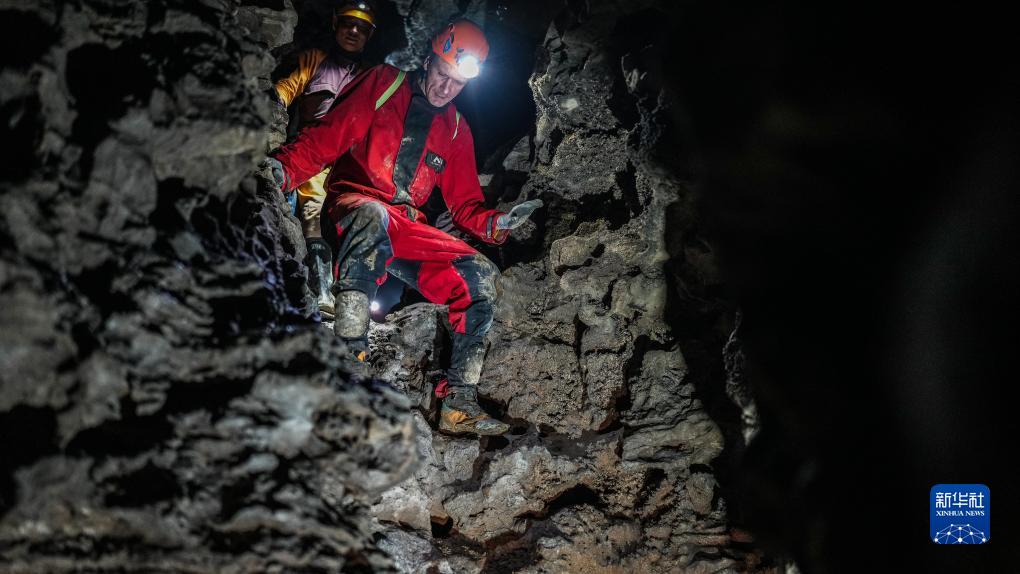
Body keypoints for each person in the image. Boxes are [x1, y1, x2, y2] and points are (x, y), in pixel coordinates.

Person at [265, 19, 542, 436]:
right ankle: (348, 364)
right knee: (371, 217)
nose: (446, 89)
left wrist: (497, 223)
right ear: (428, 60)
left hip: (405, 223)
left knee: (480, 275)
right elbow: (329, 136)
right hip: (354, 204)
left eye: (458, 83)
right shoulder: (384, 83)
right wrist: (284, 169)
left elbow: (466, 205)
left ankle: (459, 402)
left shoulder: (455, 128)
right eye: (443, 75)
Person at [273, 0, 377, 319]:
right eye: (348, 23)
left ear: (370, 35)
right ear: (335, 24)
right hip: (314, 158)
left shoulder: (372, 79)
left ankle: (348, 296)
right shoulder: (314, 61)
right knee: (311, 217)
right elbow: (284, 91)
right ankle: (319, 293)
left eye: (362, 28)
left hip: (351, 166)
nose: (354, 31)